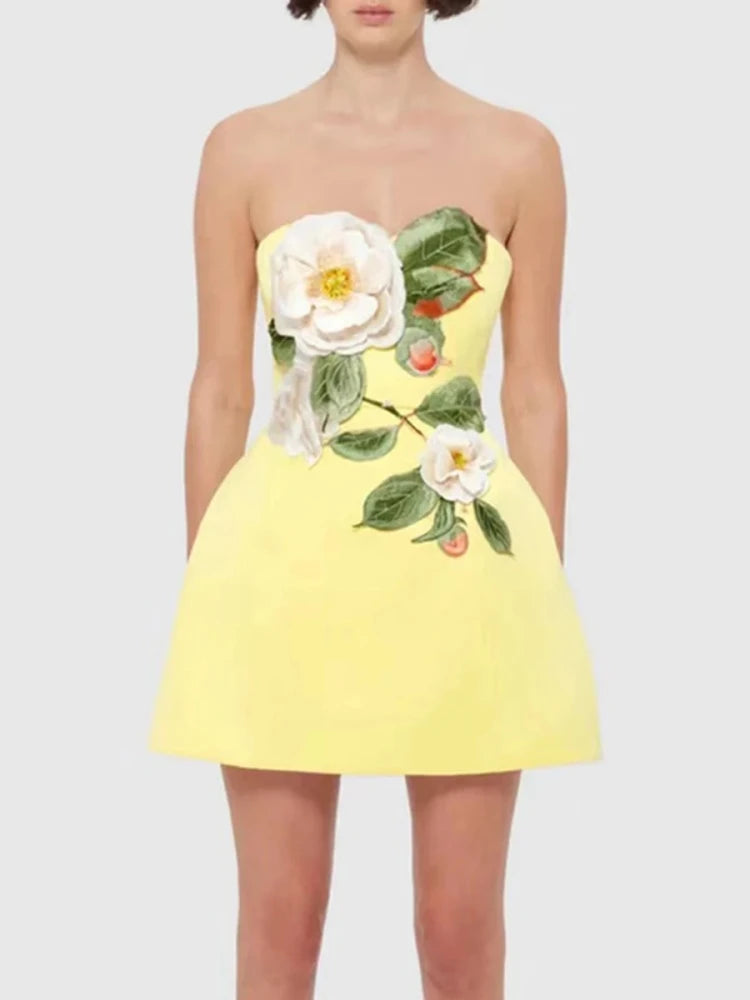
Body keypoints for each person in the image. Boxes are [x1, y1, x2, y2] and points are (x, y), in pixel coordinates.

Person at [149, 1, 602, 996]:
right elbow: (220, 386)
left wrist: (542, 588)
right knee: (280, 927)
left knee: (458, 931)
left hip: (462, 566)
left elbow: (536, 386)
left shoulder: (522, 152)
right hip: (277, 574)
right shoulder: (241, 149)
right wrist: (204, 590)